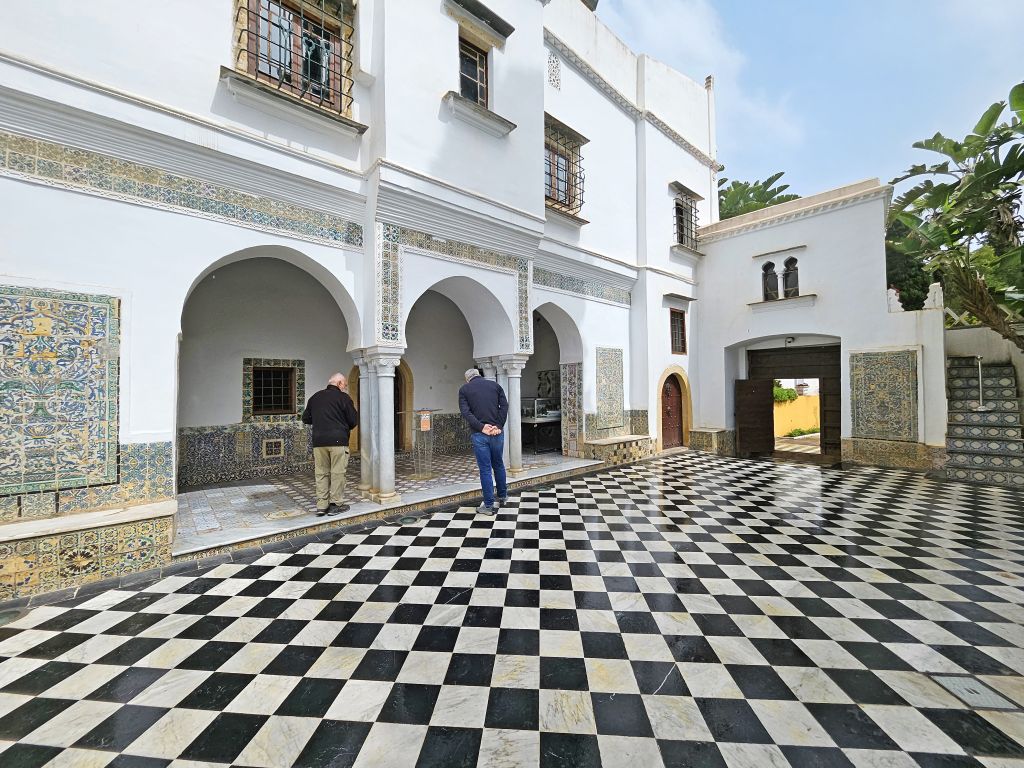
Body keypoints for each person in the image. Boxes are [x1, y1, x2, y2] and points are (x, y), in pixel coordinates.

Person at [302, 372, 358, 516]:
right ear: (339, 383)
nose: (344, 388)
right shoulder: (343, 398)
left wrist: (321, 420)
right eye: (344, 385)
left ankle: (321, 506)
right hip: (338, 441)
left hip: (319, 442)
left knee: (321, 473)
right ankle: (335, 505)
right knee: (338, 473)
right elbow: (353, 420)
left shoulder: (315, 397)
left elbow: (306, 418)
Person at [458, 368, 509, 515]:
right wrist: (498, 426)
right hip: (497, 433)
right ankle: (503, 496)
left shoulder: (464, 389)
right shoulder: (495, 386)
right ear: (479, 375)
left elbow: (466, 412)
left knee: (485, 469)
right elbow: (504, 406)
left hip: (479, 434)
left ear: (468, 379)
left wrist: (481, 427)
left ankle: (488, 506)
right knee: (498, 464)